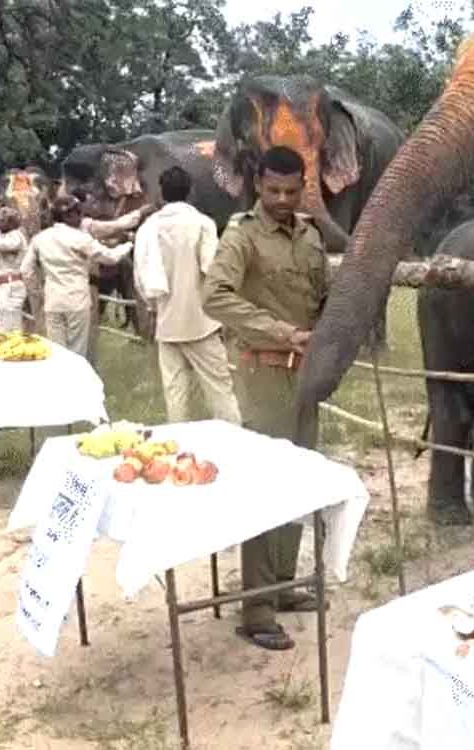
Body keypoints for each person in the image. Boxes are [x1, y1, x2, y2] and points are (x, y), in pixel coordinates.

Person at [203, 146, 329, 651]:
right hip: (263, 375)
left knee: (299, 483)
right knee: (262, 487)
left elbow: (321, 297)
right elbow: (214, 296)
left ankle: (283, 585)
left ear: (304, 187)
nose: (281, 199)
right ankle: (255, 607)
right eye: (273, 190)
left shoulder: (310, 235)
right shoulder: (242, 236)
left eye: (291, 191)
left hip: (306, 378)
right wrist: (279, 331)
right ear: (258, 185)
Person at [134, 166, 241, 425]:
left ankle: (180, 452)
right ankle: (237, 444)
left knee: (175, 397)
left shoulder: (149, 228)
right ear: (191, 191)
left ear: (161, 193)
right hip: (201, 323)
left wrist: (153, 308)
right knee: (220, 392)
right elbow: (212, 271)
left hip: (167, 324)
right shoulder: (202, 224)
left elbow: (141, 276)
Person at [21, 195, 133, 357]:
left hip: (52, 302)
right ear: (68, 215)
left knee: (57, 353)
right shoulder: (81, 238)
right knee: (77, 353)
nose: (81, 217)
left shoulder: (40, 239)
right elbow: (110, 258)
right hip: (77, 302)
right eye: (78, 213)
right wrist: (128, 245)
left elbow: (26, 270)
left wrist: (38, 292)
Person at [74, 188, 156, 365]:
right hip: (93, 278)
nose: (93, 204)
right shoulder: (86, 225)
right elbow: (116, 227)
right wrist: (129, 239)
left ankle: (142, 335)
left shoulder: (85, 224)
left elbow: (116, 228)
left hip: (110, 270)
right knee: (87, 330)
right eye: (89, 202)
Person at [0, 207, 29, 332]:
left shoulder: (15, 236)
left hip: (10, 286)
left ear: (9, 223)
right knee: (6, 325)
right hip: (4, 286)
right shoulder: (5, 235)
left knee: (10, 328)